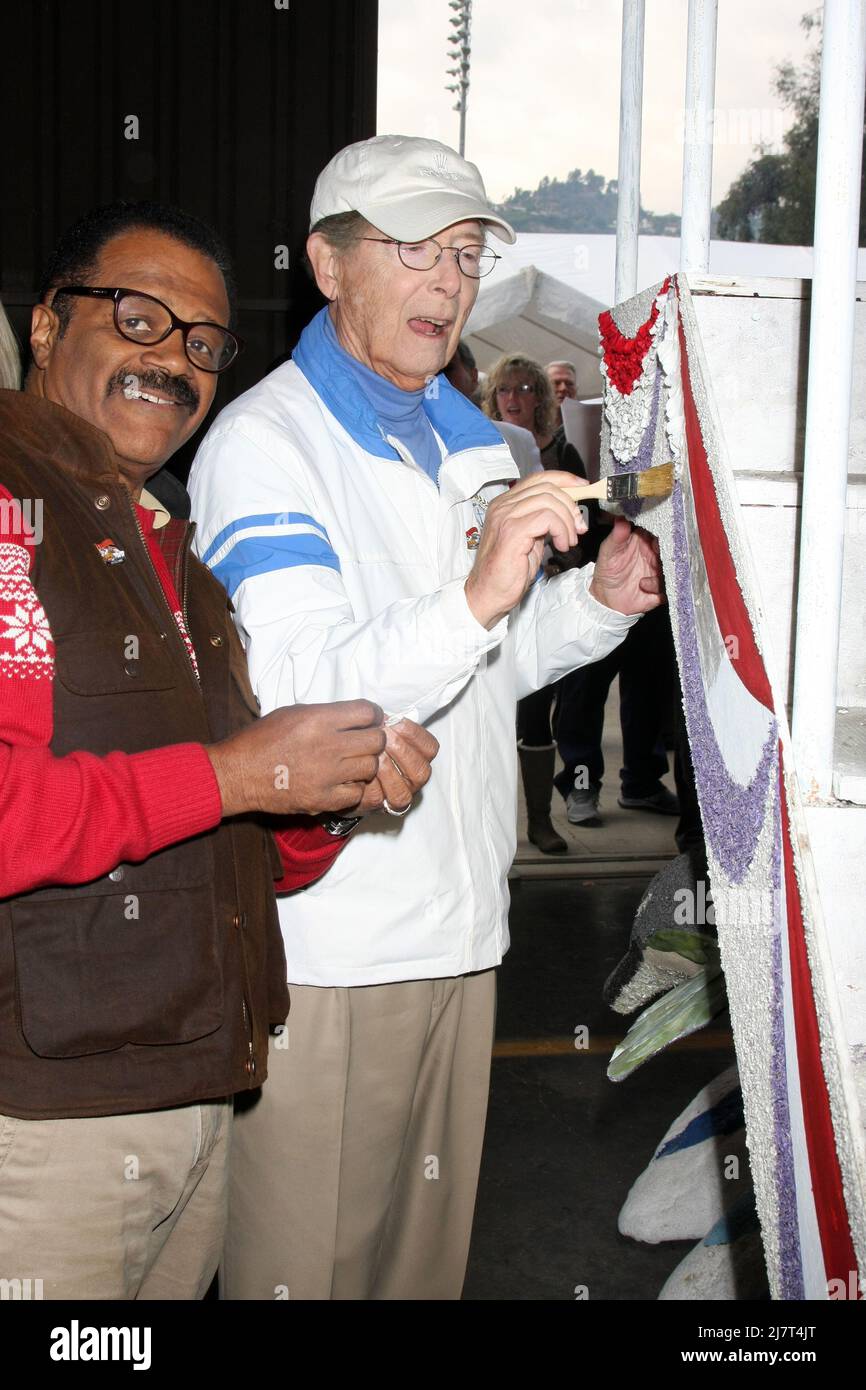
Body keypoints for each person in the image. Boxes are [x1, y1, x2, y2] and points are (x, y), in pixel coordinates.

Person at [189, 133, 663, 1300]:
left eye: (464, 254)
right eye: (413, 249)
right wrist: (474, 591)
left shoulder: (471, 442)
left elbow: (486, 665)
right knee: (305, 1275)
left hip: (462, 927)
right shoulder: (264, 445)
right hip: (335, 950)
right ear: (327, 263)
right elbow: (304, 694)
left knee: (420, 1276)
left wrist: (596, 607)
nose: (447, 282)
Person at [0, 199, 436, 1301]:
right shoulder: (12, 511)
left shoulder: (178, 564)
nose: (174, 363)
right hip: (43, 1133)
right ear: (50, 324)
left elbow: (231, 839)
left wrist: (324, 798)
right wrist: (240, 772)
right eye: (139, 319)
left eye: (201, 344)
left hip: (194, 1097)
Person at [481, 352, 584, 853]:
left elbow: (559, 520)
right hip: (476, 596)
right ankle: (488, 833)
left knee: (534, 711)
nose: (514, 398)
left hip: (530, 594)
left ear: (540, 398)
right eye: (506, 389)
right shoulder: (470, 438)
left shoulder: (533, 446)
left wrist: (551, 558)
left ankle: (540, 821)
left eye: (525, 389)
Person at [546, 358, 578, 428]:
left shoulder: (589, 424)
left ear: (576, 389)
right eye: (556, 383)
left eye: (569, 383)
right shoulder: (530, 426)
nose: (563, 388)